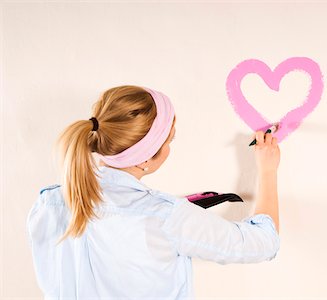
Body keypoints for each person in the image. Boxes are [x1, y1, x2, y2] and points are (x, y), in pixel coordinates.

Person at [26, 85, 281, 299]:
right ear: (146, 158)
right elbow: (263, 242)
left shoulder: (48, 204)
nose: (170, 147)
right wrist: (268, 171)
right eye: (169, 140)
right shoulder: (167, 217)